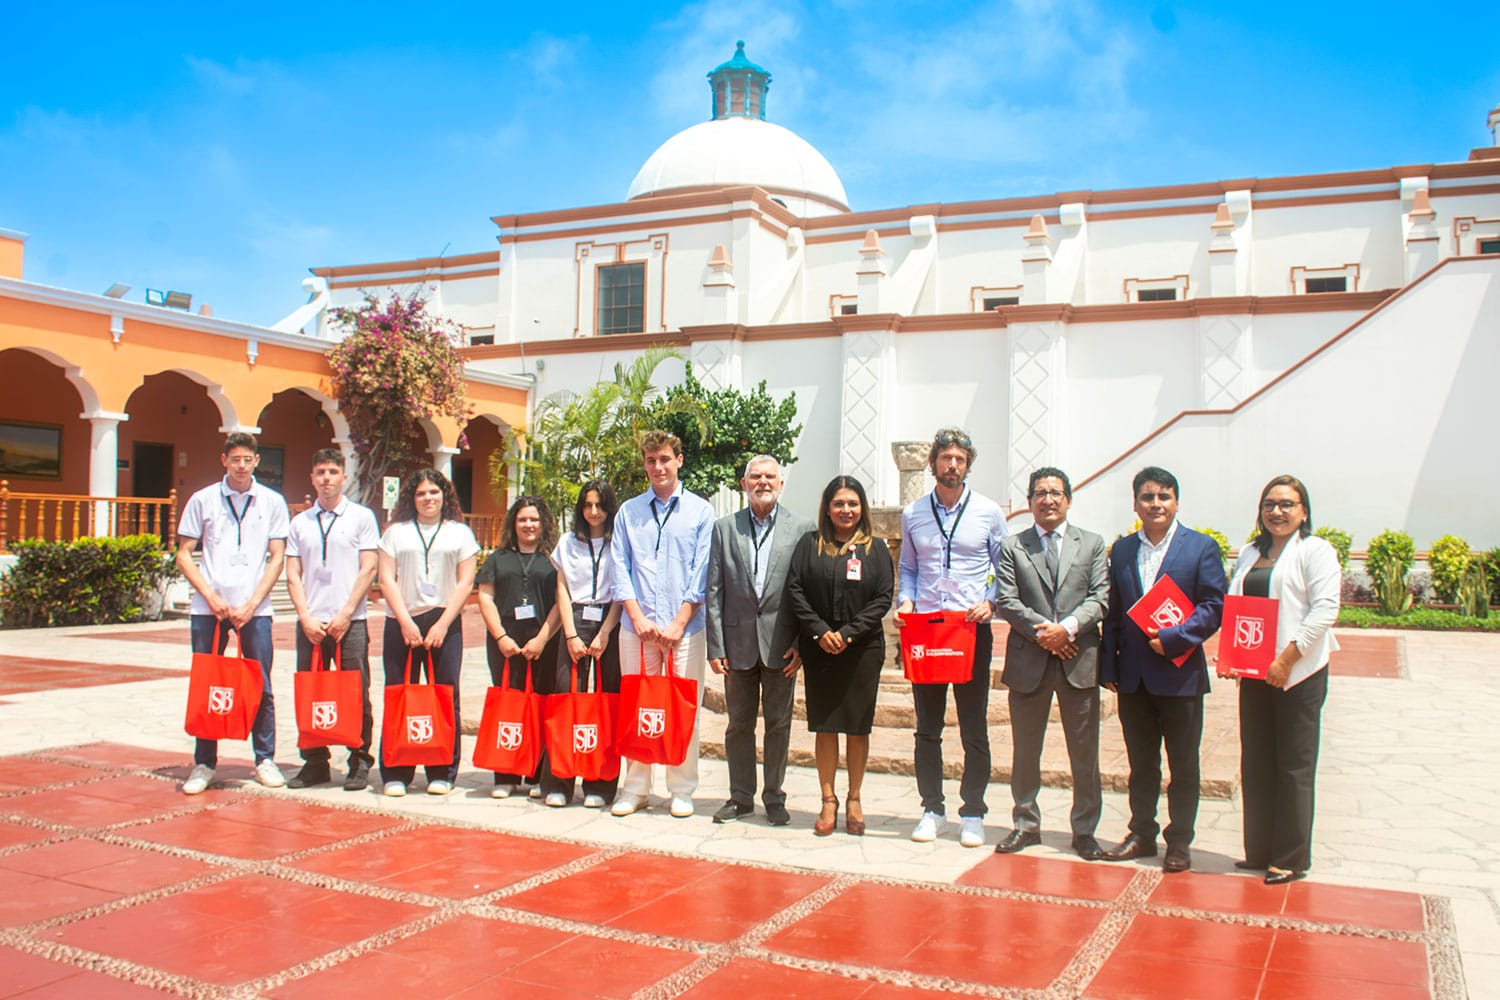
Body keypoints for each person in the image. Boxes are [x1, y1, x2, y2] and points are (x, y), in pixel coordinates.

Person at [1099, 466, 1226, 873]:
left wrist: (1174, 638)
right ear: (1135, 503)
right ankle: (1141, 833)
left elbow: (1213, 606)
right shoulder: (1121, 551)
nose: (1156, 504)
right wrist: (1108, 666)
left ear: (1176, 502)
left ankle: (1179, 841)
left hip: (1180, 675)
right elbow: (1115, 613)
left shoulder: (1200, 548)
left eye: (1164, 497)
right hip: (1133, 676)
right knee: (1142, 764)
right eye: (1148, 497)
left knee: (1183, 764)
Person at [1224, 475, 1340, 885]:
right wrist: (1231, 657)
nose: (1277, 511)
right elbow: (1237, 605)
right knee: (1256, 760)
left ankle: (1289, 857)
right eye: (1270, 504)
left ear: (1303, 511)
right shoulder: (1251, 552)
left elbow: (1325, 610)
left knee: (1293, 765)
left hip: (1297, 673)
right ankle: (1258, 850)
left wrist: (1287, 658)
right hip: (1255, 672)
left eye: (1287, 504)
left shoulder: (1315, 551)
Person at [896, 428, 1007, 846]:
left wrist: (991, 603)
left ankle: (973, 811)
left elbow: (1004, 568)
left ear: (968, 465)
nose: (952, 466)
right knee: (927, 727)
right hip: (926, 628)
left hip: (969, 629)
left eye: (960, 459)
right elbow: (908, 567)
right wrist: (905, 600)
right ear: (933, 464)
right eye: (946, 458)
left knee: (973, 726)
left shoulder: (988, 512)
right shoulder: (913, 514)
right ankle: (932, 808)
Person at [992, 467, 1110, 858]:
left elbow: (1100, 596)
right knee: (1026, 751)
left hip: (1079, 662)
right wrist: (1049, 633)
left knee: (1084, 752)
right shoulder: (1012, 546)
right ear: (1029, 502)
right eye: (1040, 493)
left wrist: (1069, 629)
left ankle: (1085, 830)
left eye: (1055, 492)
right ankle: (1026, 824)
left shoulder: (1092, 544)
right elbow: (1007, 600)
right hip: (1031, 661)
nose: (1048, 499)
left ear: (1069, 499)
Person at [608, 430, 715, 818]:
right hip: (636, 630)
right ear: (645, 464)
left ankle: (682, 788)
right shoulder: (629, 511)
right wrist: (636, 617)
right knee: (639, 706)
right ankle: (635, 787)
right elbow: (619, 566)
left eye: (665, 459)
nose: (658, 467)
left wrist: (679, 619)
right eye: (651, 460)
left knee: (684, 708)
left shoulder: (701, 512)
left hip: (684, 630)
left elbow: (702, 570)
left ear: (679, 460)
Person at [176, 432, 290, 794]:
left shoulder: (272, 502)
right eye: (235, 459)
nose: (241, 465)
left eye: (248, 459)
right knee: (208, 685)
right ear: (223, 460)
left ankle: (265, 759)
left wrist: (253, 602)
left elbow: (277, 557)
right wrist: (210, 597)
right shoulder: (203, 499)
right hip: (209, 608)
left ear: (257, 461)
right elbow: (184, 554)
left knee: (262, 685)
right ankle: (204, 763)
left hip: (254, 610)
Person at [705, 456, 812, 827]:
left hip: (782, 644)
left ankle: (774, 797)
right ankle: (740, 797)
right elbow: (713, 590)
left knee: (779, 724)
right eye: (755, 477)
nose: (762, 482)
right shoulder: (724, 528)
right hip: (737, 645)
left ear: (781, 484)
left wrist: (802, 641)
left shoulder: (801, 528)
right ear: (743, 483)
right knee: (738, 724)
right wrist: (715, 646)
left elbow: (806, 591)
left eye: (770, 477)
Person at [785, 476, 893, 836]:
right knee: (826, 724)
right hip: (821, 650)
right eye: (838, 504)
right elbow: (795, 590)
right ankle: (828, 799)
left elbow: (882, 598)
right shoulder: (810, 545)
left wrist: (847, 634)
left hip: (862, 649)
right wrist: (820, 631)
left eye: (852, 503)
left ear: (862, 508)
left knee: (858, 725)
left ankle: (855, 798)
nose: (846, 510)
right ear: (827, 508)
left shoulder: (875, 549)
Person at [376, 469, 478, 797]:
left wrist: (443, 624)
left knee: (446, 698)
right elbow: (386, 579)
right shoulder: (396, 533)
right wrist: (405, 621)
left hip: (444, 621)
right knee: (398, 695)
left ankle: (443, 770)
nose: (428, 498)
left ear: (444, 495)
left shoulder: (460, 533)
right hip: (401, 620)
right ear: (412, 498)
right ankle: (396, 770)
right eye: (421, 493)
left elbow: (465, 582)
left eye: (434, 492)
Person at [283, 447, 381, 791]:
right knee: (311, 692)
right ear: (312, 478)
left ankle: (358, 760)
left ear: (343, 477)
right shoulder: (300, 522)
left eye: (332, 472)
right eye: (320, 472)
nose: (326, 478)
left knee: (356, 693)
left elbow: (369, 568)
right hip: (310, 623)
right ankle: (314, 761)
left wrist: (344, 614)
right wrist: (305, 617)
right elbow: (293, 574)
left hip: (350, 622)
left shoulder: (362, 517)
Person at [476, 495, 562, 799]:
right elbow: (485, 597)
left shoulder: (552, 560)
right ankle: (506, 772)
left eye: (534, 520)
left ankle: (537, 774)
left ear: (544, 524)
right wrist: (501, 637)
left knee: (540, 705)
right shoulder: (498, 558)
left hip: (544, 644)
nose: (529, 525)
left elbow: (559, 603)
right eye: (523, 519)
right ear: (514, 522)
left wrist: (541, 639)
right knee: (508, 706)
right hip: (505, 643)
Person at [548, 480, 624, 808]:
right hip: (575, 619)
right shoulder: (567, 542)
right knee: (565, 700)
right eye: (588, 505)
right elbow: (561, 590)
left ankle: (601, 784)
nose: (594, 512)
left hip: (610, 620)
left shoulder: (620, 542)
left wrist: (606, 631)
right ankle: (560, 782)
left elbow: (623, 589)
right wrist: (570, 635)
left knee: (607, 704)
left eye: (600, 505)